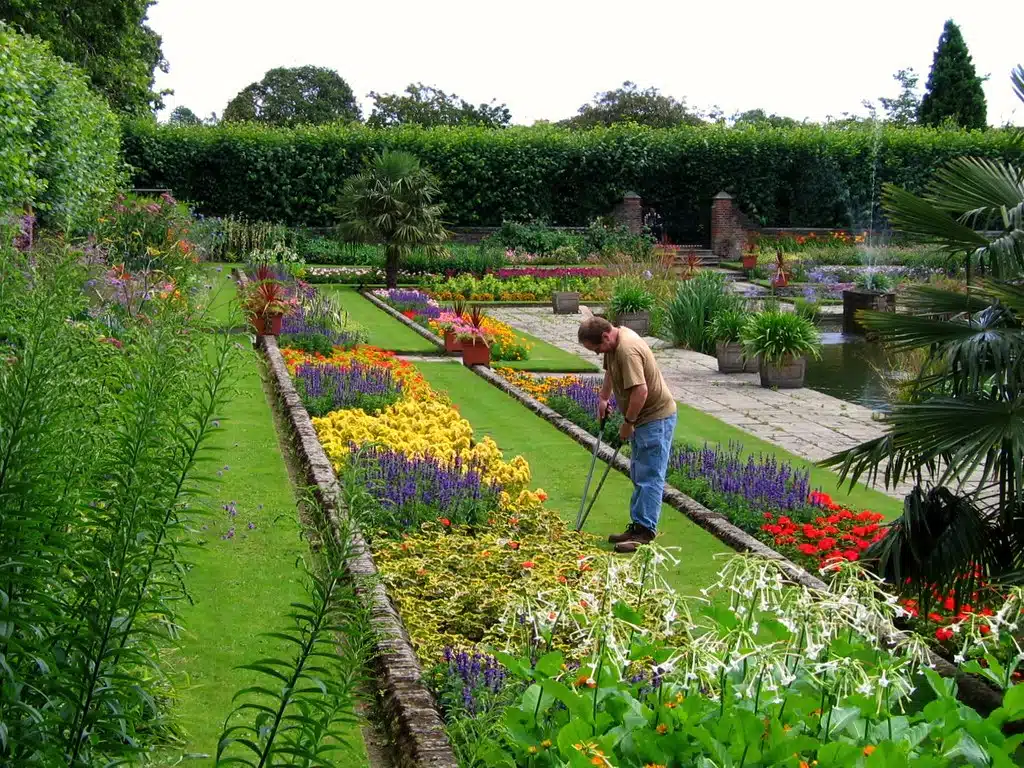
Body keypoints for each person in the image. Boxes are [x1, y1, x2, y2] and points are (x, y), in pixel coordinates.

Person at [577, 315, 677, 553]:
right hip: (644, 419)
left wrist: (629, 422)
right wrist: (603, 398)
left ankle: (645, 532)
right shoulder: (613, 343)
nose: (598, 353)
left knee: (650, 475)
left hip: (655, 418)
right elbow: (610, 372)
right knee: (638, 472)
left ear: (604, 336)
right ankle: (637, 525)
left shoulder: (627, 350)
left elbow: (640, 391)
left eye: (597, 348)